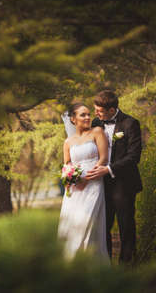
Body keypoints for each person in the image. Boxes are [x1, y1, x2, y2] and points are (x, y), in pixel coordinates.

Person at [85, 90, 143, 264]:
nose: (95, 114)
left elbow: (134, 157)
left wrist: (108, 169)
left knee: (126, 226)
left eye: (99, 110)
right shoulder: (95, 123)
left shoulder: (130, 123)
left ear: (112, 110)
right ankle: (106, 265)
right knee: (103, 227)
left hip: (124, 183)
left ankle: (127, 265)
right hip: (100, 184)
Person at [58, 103, 110, 262]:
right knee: (73, 226)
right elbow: (67, 164)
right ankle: (72, 266)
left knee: (87, 224)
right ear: (73, 119)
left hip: (93, 184)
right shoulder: (68, 142)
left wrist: (86, 178)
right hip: (75, 190)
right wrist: (69, 178)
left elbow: (103, 158)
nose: (88, 117)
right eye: (83, 115)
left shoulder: (97, 132)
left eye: (88, 114)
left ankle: (86, 263)